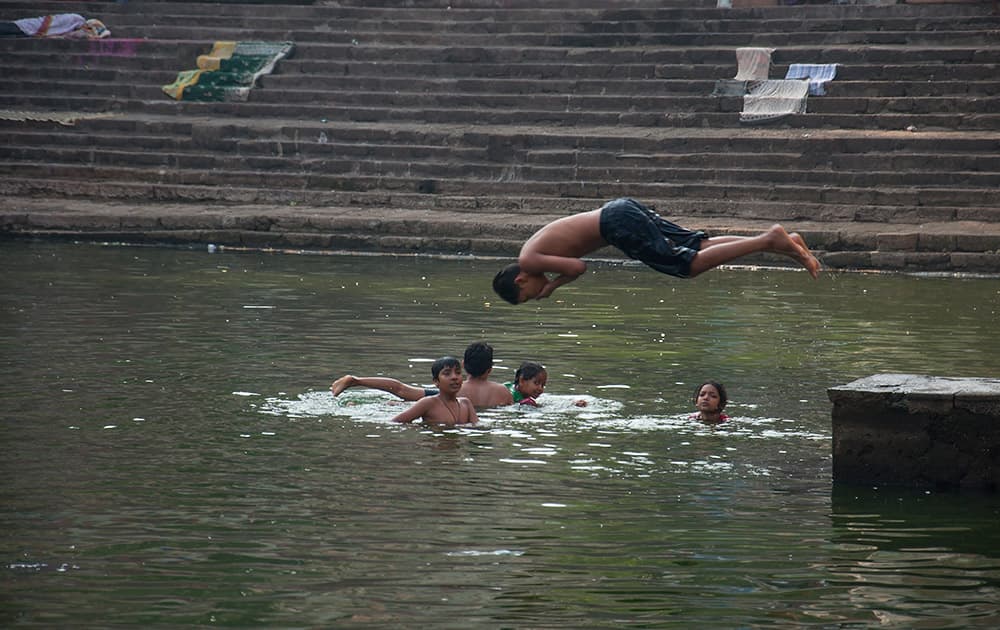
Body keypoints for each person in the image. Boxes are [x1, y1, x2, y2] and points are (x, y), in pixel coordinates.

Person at [492, 197, 820, 304]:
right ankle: (784, 244)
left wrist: (552, 286)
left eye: (530, 295)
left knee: (687, 266)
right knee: (697, 247)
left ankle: (769, 239)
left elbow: (578, 268)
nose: (537, 296)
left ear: (521, 280)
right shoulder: (529, 253)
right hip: (620, 214)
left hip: (616, 225)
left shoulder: (528, 259)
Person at [331, 341, 514, 408]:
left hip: (441, 406)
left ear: (464, 365)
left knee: (402, 393)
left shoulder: (452, 389)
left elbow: (399, 388)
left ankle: (355, 380)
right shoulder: (503, 392)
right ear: (490, 369)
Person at [392, 356, 478, 426]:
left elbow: (478, 426)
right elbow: (396, 422)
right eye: (447, 373)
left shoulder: (466, 403)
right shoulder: (428, 403)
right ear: (436, 381)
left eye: (458, 372)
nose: (454, 377)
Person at [507, 361, 588, 408]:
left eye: (543, 385)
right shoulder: (514, 397)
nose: (540, 389)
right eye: (536, 383)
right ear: (522, 380)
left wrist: (572, 404)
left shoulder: (509, 387)